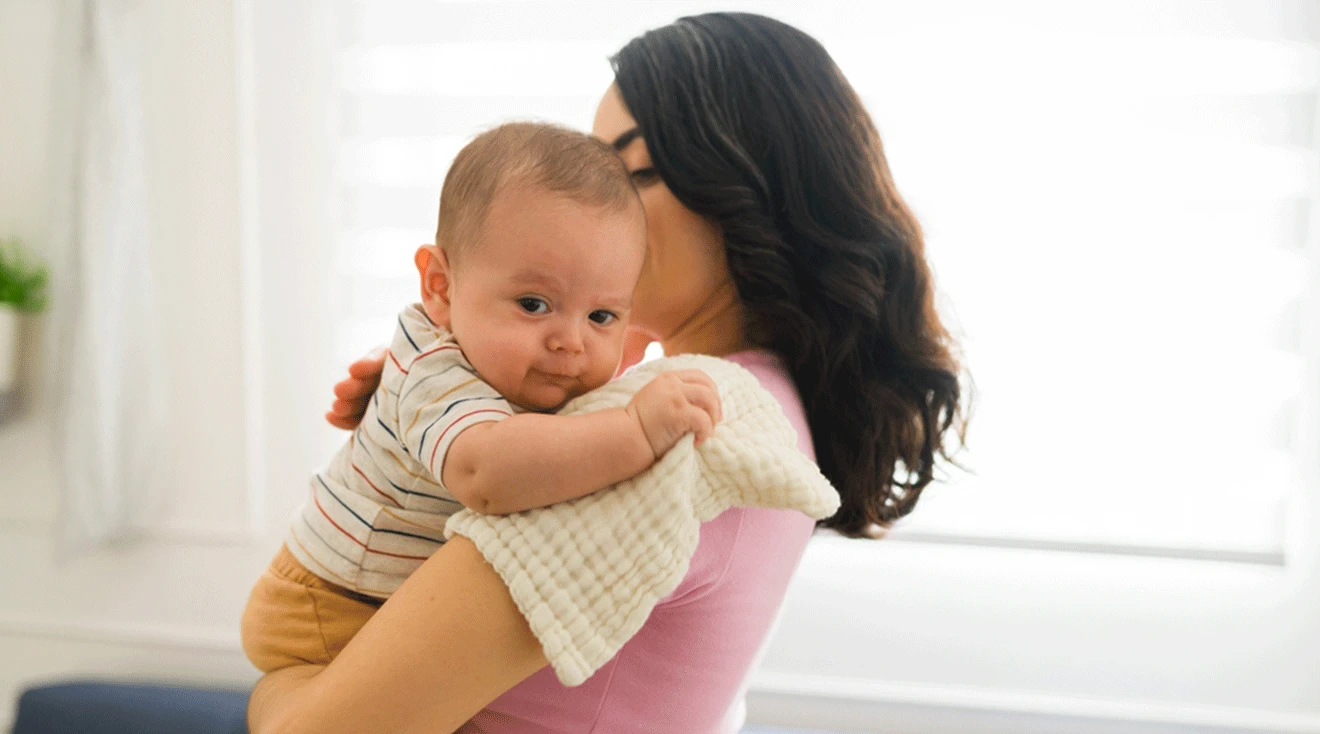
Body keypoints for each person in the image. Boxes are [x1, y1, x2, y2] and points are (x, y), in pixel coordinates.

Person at [247, 12, 965, 734]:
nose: (599, 208)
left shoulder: (673, 427)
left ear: (745, 192)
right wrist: (445, 383)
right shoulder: (757, 402)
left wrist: (279, 687)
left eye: (636, 172)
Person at [240, 122, 724, 674]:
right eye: (534, 304)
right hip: (330, 606)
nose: (570, 341)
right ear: (441, 287)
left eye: (601, 316)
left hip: (387, 604)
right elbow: (487, 474)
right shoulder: (435, 373)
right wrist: (637, 430)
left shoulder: (526, 366)